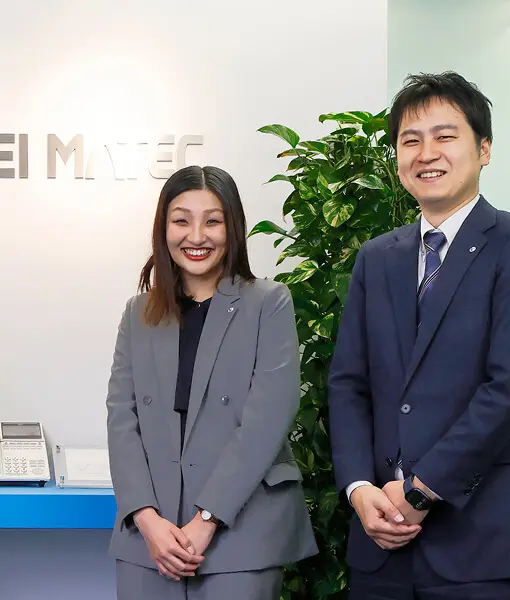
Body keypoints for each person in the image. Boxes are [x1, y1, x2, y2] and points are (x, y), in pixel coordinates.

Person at [329, 71, 510, 599]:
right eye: (410, 140)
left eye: (445, 136)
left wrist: (421, 492)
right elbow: (348, 384)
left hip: (483, 546)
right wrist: (360, 488)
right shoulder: (376, 258)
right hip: (380, 549)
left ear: (484, 149)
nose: (426, 153)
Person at [106, 165, 317, 599]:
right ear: (163, 228)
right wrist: (145, 518)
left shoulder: (269, 303)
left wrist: (207, 519)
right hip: (150, 537)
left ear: (232, 227)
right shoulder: (138, 312)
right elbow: (121, 420)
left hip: (240, 532)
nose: (196, 236)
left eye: (213, 221)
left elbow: (266, 422)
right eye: (181, 220)